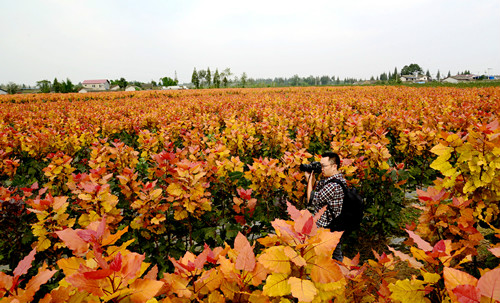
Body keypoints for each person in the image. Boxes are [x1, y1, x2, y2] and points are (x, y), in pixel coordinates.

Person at [305, 151, 346, 261]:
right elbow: (315, 187)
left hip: (328, 228)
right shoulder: (335, 180)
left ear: (334, 166)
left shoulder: (333, 185)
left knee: (328, 260)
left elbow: (311, 199)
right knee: (335, 258)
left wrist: (309, 179)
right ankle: (341, 276)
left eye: (324, 166)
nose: (321, 168)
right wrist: (311, 176)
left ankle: (339, 277)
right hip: (334, 227)